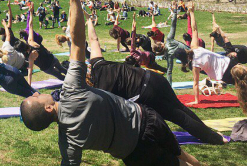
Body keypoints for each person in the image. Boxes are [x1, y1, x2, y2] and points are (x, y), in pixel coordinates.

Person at [20, 0, 247, 166]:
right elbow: (78, 41)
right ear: (48, 109)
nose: (37, 92)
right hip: (147, 120)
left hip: (138, 148)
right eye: (36, 97)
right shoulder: (72, 91)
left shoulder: (68, 141)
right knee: (186, 163)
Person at [86, 17, 224, 144]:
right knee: (181, 108)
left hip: (147, 93)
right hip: (154, 78)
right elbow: (93, 40)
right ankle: (209, 132)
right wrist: (89, 21)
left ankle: (215, 138)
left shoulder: (101, 92)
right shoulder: (97, 64)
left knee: (179, 117)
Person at [185, 2, 237, 106]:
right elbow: (194, 29)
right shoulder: (194, 47)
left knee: (244, 85)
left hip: (224, 73)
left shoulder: (195, 65)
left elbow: (195, 84)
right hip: (229, 61)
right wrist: (191, 12)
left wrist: (196, 100)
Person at [18, 3, 68, 84]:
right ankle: (77, 80)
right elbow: (30, 25)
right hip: (52, 58)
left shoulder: (29, 56)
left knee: (59, 76)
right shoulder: (31, 41)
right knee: (62, 69)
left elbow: (30, 72)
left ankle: (72, 83)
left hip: (47, 67)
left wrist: (29, 85)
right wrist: (30, 12)